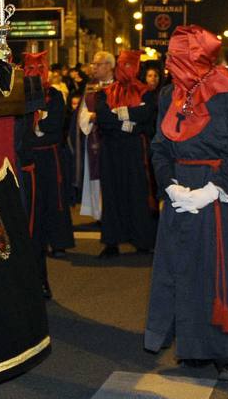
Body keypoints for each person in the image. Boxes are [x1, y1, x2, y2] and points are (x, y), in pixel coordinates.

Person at [145, 26, 228, 382]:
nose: (168, 65)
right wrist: (170, 186)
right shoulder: (168, 95)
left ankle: (227, 352)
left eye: (175, 58)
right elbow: (160, 146)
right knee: (183, 268)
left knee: (223, 272)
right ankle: (192, 347)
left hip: (218, 194)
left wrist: (213, 190)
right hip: (180, 190)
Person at [93, 50, 159, 257]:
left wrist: (122, 114)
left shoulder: (145, 92)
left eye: (130, 66)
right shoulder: (105, 92)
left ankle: (142, 240)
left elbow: (147, 116)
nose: (125, 70)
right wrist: (128, 122)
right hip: (111, 148)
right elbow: (103, 117)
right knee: (111, 193)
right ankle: (112, 241)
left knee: (137, 192)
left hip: (134, 150)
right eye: (122, 65)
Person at [19, 52, 74, 268]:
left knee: (54, 198)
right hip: (31, 156)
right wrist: (37, 129)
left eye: (38, 69)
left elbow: (56, 126)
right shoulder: (22, 95)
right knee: (34, 201)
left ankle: (58, 242)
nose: (34, 73)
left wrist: (40, 127)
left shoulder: (55, 95)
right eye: (30, 69)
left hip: (50, 157)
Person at [73, 51, 116, 221]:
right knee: (95, 175)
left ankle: (112, 212)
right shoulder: (91, 87)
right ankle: (99, 213)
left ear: (109, 66)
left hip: (113, 140)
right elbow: (83, 114)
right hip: (94, 138)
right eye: (93, 64)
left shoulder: (118, 86)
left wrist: (99, 115)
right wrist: (94, 116)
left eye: (97, 64)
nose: (94, 67)